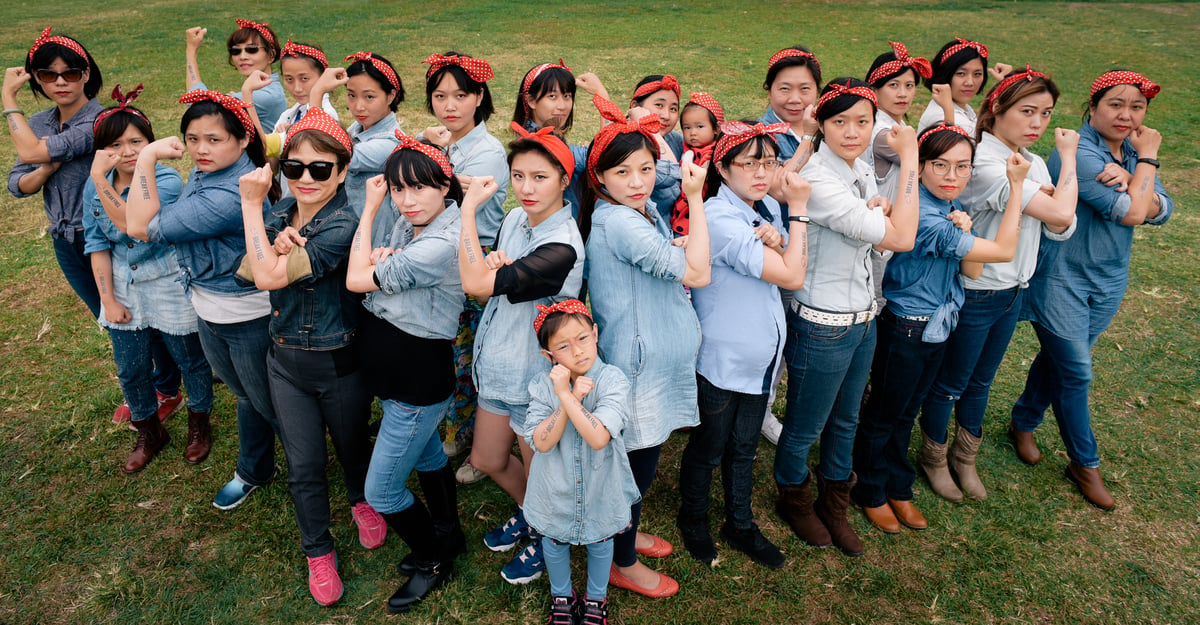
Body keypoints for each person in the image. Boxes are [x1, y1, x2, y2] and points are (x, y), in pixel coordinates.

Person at [237, 109, 382, 606]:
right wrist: (272, 240)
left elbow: (267, 278)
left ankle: (361, 499)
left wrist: (253, 211)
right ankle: (317, 551)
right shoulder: (281, 214)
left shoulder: (345, 223)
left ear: (342, 171)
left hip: (338, 361)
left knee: (351, 445)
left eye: (320, 169)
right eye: (293, 168)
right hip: (285, 362)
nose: (304, 179)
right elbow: (248, 269)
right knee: (304, 464)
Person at [1011, 70, 1172, 511]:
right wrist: (1148, 164)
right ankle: (1085, 463)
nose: (1126, 115)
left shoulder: (1133, 154)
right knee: (1077, 371)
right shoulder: (1077, 153)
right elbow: (1134, 214)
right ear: (1093, 106)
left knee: (1063, 360)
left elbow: (1163, 210)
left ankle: (1023, 420)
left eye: (1136, 107)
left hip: (1109, 277)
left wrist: (1137, 173)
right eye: (1115, 104)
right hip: (1063, 277)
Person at [852, 123, 1025, 533]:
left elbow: (974, 269)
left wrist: (965, 227)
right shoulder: (927, 218)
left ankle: (899, 485)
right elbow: (1002, 252)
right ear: (923, 166)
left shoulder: (949, 209)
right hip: (907, 330)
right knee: (884, 414)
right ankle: (870, 489)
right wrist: (1016, 187)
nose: (953, 176)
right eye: (941, 166)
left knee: (907, 412)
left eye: (962, 167)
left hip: (938, 328)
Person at [773, 78, 919, 558]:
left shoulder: (857, 169)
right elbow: (900, 239)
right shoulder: (818, 178)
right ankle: (794, 499)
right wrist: (912, 158)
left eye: (863, 120)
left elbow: (886, 224)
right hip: (823, 323)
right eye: (840, 121)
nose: (853, 131)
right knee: (804, 427)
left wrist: (877, 203)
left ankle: (835, 504)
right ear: (823, 124)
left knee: (847, 419)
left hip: (864, 317)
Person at [918, 66, 1078, 503]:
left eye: (1046, 114)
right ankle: (933, 457)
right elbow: (1063, 214)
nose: (1038, 124)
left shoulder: (1031, 160)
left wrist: (1055, 181)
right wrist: (1071, 161)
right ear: (996, 109)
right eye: (1027, 111)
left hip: (1014, 289)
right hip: (977, 290)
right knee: (951, 382)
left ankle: (964, 456)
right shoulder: (986, 163)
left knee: (982, 381)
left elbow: (1062, 229)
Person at [579, 95, 710, 598]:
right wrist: (696, 201)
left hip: (655, 358)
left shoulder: (637, 210)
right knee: (635, 467)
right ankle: (620, 559)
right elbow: (698, 273)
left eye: (647, 168)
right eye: (623, 172)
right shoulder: (620, 222)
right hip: (640, 366)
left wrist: (674, 243)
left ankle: (625, 538)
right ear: (600, 178)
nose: (638, 181)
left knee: (644, 459)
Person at [125, 89, 281, 511]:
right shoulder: (207, 174)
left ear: (243, 139)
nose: (200, 150)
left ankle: (314, 471)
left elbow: (140, 225)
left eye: (214, 139)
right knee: (247, 396)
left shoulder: (227, 196)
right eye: (193, 139)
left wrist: (146, 160)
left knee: (270, 404)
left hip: (245, 315)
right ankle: (256, 468)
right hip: (209, 306)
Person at [676, 120, 810, 569]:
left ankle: (740, 523)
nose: (761, 172)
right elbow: (793, 275)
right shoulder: (719, 216)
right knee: (709, 446)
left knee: (746, 447)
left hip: (761, 359)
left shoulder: (765, 207)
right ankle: (692, 519)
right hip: (722, 358)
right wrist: (800, 215)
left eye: (769, 162)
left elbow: (787, 256)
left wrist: (781, 233)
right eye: (749, 163)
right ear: (723, 167)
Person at [457, 125, 585, 585]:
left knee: (546, 479)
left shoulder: (562, 246)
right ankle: (531, 515)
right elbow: (485, 276)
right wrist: (494, 263)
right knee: (488, 459)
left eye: (540, 177)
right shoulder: (515, 219)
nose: (526, 189)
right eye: (518, 176)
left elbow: (474, 284)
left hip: (537, 382)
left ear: (563, 179)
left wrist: (468, 211)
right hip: (498, 369)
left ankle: (548, 538)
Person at [344, 132, 465, 614]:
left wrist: (372, 210)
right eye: (397, 189)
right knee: (431, 456)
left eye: (420, 188)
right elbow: (370, 264)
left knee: (382, 490)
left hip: (417, 383)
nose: (407, 200)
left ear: (446, 187)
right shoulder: (414, 223)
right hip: (398, 380)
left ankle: (433, 557)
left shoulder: (440, 240)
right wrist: (382, 256)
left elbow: (357, 280)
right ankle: (448, 533)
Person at [82, 85, 213, 474]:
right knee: (130, 367)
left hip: (168, 279)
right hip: (123, 282)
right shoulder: (96, 181)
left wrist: (99, 179)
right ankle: (149, 430)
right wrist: (108, 299)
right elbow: (97, 244)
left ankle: (198, 423)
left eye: (137, 141)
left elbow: (134, 226)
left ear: (150, 142)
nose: (127, 151)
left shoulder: (167, 179)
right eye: (116, 144)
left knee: (190, 360)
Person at [419, 52, 509, 473]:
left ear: (479, 97)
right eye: (439, 96)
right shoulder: (447, 144)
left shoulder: (487, 152)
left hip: (473, 265)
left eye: (460, 95)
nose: (449, 106)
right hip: (444, 263)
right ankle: (455, 431)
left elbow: (441, 202)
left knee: (471, 359)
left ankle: (480, 445)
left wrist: (433, 167)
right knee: (450, 354)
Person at [524, 300, 639, 625]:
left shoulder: (613, 379)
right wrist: (567, 396)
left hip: (602, 485)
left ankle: (596, 598)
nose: (577, 352)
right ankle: (562, 596)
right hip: (555, 488)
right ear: (549, 356)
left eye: (583, 338)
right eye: (563, 346)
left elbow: (598, 436)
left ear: (595, 333)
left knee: (601, 541)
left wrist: (572, 398)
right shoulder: (543, 386)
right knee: (554, 541)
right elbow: (542, 442)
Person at [5, 27, 105, 317]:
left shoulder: (100, 121)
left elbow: (30, 153)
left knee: (130, 314)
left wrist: (9, 98)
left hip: (101, 234)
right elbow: (17, 185)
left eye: (70, 73)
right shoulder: (38, 123)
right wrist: (46, 170)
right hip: (64, 239)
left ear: (85, 74)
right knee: (104, 314)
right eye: (49, 75)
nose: (60, 82)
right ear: (37, 78)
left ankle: (159, 365)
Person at [757, 46, 822, 444]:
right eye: (784, 88)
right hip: (776, 249)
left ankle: (777, 401)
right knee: (773, 334)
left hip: (818, 249)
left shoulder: (830, 126)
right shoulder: (762, 134)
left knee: (798, 336)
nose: (795, 99)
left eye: (805, 88)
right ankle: (761, 408)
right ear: (769, 90)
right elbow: (778, 188)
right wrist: (809, 140)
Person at [308, 51, 404, 237]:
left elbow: (320, 150)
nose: (359, 106)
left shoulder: (390, 142)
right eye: (351, 95)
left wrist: (317, 92)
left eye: (369, 97)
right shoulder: (355, 130)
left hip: (370, 244)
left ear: (391, 96)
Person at [511, 59, 610, 212]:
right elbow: (607, 156)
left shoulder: (528, 138)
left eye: (567, 96)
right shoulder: (539, 143)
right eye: (552, 96)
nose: (562, 106)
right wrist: (602, 96)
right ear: (531, 101)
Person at [184, 20, 287, 133]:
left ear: (271, 55)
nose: (242, 56)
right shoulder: (263, 90)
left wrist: (191, 49)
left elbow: (199, 104)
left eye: (252, 49)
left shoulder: (267, 96)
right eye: (236, 51)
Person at [917, 37, 1010, 135]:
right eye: (961, 74)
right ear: (945, 74)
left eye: (977, 74)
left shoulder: (962, 108)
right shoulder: (940, 115)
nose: (970, 82)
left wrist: (1007, 85)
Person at [629, 74, 684, 221]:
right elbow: (671, 173)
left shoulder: (675, 140)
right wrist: (649, 127)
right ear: (635, 107)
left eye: (673, 109)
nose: (666, 115)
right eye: (659, 105)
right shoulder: (626, 142)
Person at [672, 92, 724, 237]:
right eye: (687, 128)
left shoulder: (713, 153)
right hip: (683, 205)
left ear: (716, 128)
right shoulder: (687, 148)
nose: (692, 133)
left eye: (700, 127)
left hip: (703, 205)